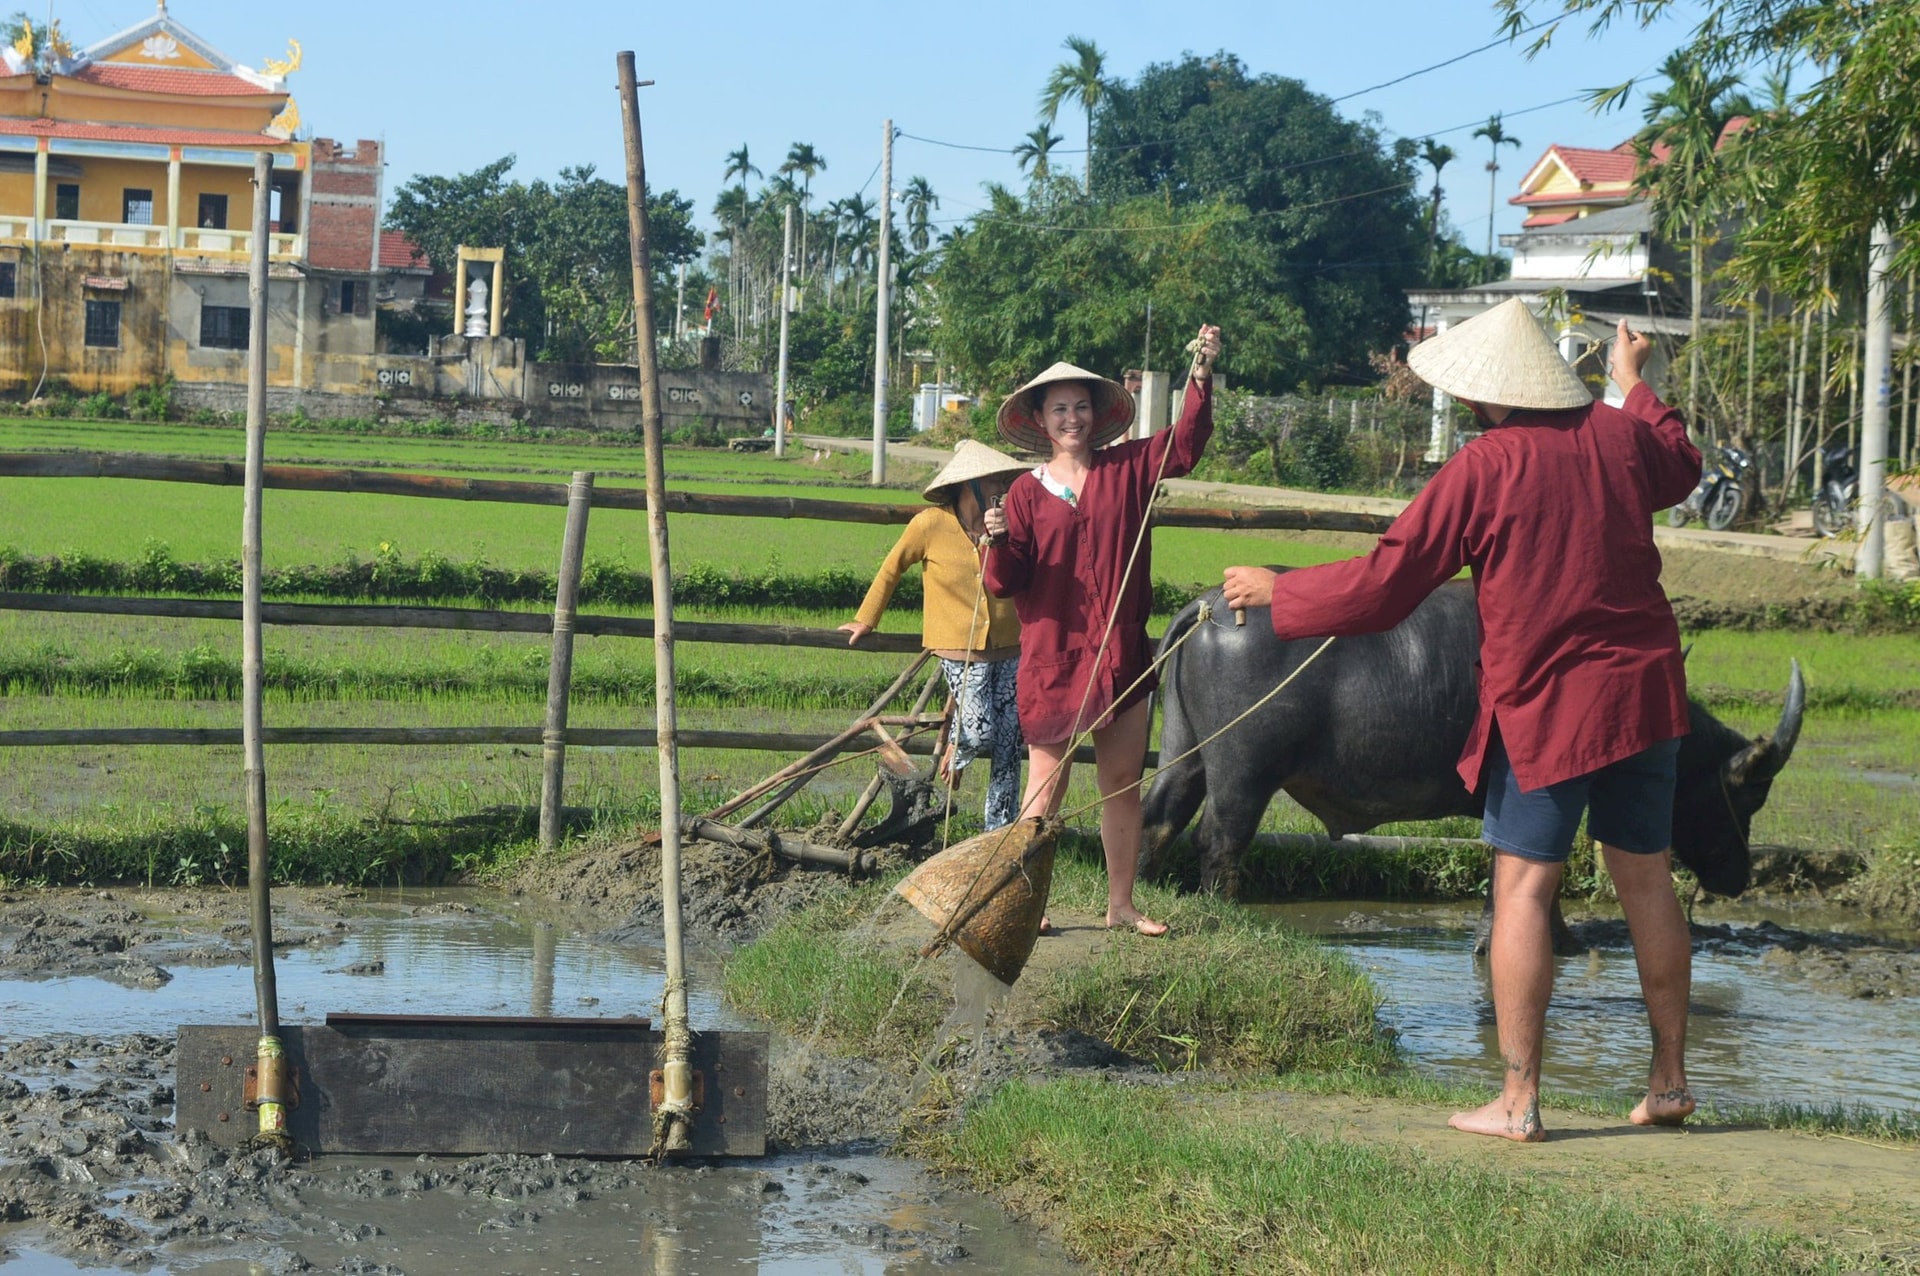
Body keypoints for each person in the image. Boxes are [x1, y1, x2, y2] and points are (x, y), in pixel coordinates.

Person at [1220, 300, 1700, 1141]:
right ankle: (1668, 1082)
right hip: (1645, 697)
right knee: (1647, 881)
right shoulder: (1623, 437)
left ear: (1483, 397)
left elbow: (1386, 584)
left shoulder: (1489, 466)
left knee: (1522, 888)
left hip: (1550, 704)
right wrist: (1635, 385)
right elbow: (1680, 461)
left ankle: (1517, 1101)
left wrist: (1279, 591)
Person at [983, 324, 1223, 937]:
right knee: (1046, 788)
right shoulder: (1022, 495)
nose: (1072, 418)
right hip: (1053, 657)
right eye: (1059, 408)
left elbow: (1187, 445)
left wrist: (1199, 376)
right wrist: (996, 540)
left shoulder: (1129, 469)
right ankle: (1027, 906)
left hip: (1121, 653)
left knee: (1121, 781)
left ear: (1097, 414)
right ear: (1040, 419)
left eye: (1081, 406)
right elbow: (1002, 582)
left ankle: (1121, 905)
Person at [841, 441, 1030, 829]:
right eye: (992, 478)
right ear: (968, 484)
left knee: (1011, 743)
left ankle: (999, 831)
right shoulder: (930, 524)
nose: (1001, 485)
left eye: (1002, 478)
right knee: (978, 734)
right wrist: (866, 619)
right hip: (959, 651)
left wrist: (1008, 536)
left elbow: (1032, 572)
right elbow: (892, 568)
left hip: (1013, 647)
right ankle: (957, 746)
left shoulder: (1012, 523)